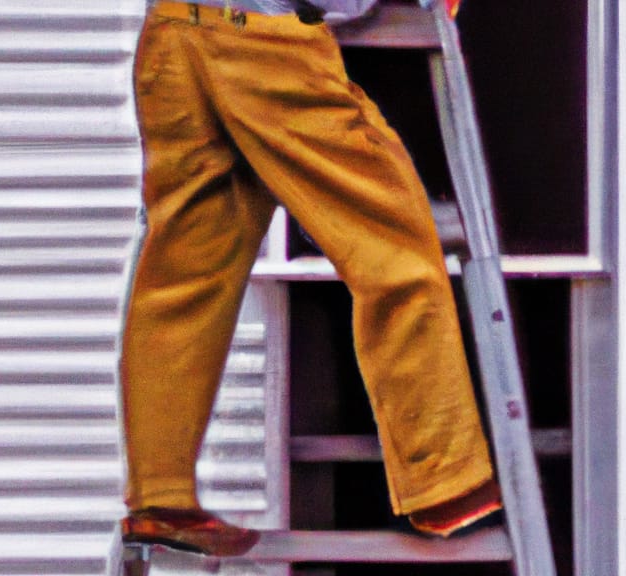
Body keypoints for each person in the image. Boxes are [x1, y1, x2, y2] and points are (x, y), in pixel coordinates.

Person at [118, 0, 500, 556]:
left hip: (173, 34)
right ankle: (443, 481)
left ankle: (160, 492)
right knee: (392, 243)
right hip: (262, 46)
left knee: (186, 276)